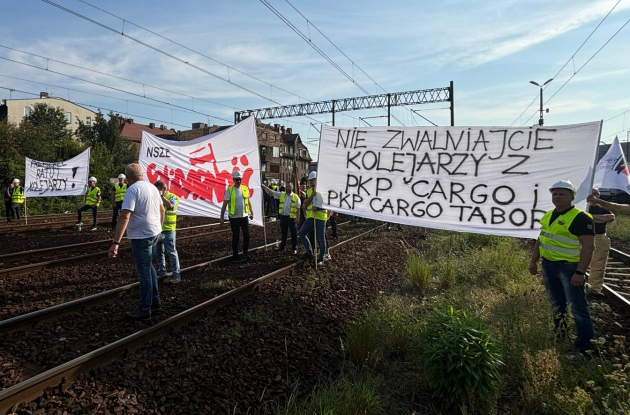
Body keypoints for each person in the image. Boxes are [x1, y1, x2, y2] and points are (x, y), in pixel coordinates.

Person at [529, 180, 595, 355]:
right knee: (557, 304)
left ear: (572, 196)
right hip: (549, 266)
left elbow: (588, 247)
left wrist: (580, 272)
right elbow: (541, 239)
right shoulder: (549, 215)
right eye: (554, 194)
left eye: (562, 194)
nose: (557, 197)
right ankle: (560, 335)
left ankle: (585, 347)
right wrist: (533, 260)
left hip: (569, 268)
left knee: (578, 308)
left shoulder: (580, 217)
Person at [108, 163, 164, 320]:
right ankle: (155, 300)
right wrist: (158, 226)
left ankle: (145, 309)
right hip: (155, 232)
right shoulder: (152, 187)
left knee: (144, 271)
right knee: (150, 267)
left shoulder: (132, 189)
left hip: (142, 236)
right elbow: (162, 209)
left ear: (128, 178)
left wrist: (116, 242)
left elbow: (125, 215)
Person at [586, 189, 616, 296]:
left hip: (599, 237)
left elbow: (611, 217)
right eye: (593, 193)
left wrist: (591, 218)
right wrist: (600, 219)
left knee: (598, 264)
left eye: (596, 194)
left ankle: (594, 289)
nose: (594, 196)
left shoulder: (602, 208)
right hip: (582, 238)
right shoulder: (581, 207)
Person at [220, 170, 254, 263]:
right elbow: (224, 204)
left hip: (244, 216)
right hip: (234, 217)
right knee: (236, 236)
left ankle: (245, 253)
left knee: (246, 235)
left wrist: (251, 212)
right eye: (237, 180)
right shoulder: (230, 190)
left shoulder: (245, 188)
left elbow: (248, 201)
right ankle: (235, 256)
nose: (238, 181)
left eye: (240, 179)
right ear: (233, 180)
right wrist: (222, 217)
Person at [154, 180, 182, 283]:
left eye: (158, 190)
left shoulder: (173, 196)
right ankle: (162, 273)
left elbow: (171, 206)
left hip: (169, 230)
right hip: (158, 230)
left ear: (163, 189)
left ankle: (176, 275)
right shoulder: (156, 198)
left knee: (171, 252)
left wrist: (161, 197)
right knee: (158, 252)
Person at [298, 171, 328, 265]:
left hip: (321, 217)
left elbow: (328, 204)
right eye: (309, 180)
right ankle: (309, 253)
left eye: (312, 180)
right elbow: (306, 203)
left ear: (316, 180)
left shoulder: (323, 190)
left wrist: (318, 208)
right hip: (311, 217)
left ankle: (321, 258)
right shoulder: (309, 191)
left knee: (321, 239)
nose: (310, 182)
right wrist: (312, 195)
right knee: (301, 233)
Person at [262, 181, 300, 254]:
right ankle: (282, 246)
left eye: (289, 187)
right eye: (287, 187)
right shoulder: (282, 195)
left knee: (294, 234)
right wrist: (264, 187)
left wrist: (297, 218)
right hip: (283, 217)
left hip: (292, 218)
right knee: (284, 233)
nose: (288, 188)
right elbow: (272, 192)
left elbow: (298, 208)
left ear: (292, 188)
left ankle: (294, 248)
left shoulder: (296, 197)